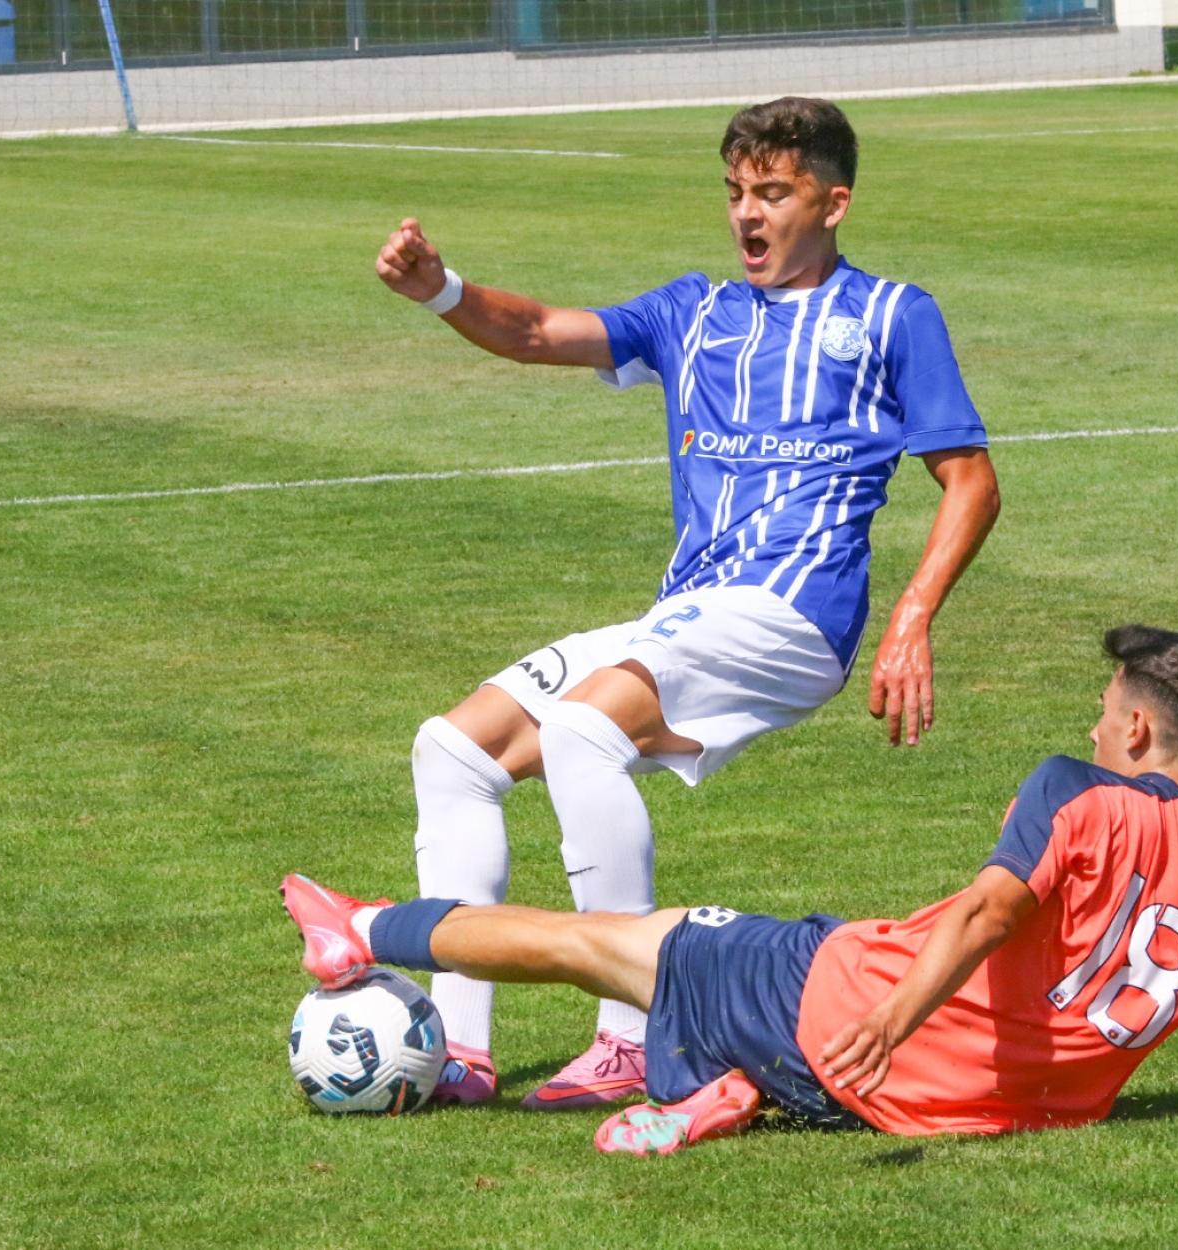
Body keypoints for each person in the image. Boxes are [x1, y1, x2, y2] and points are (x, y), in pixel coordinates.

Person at [282, 625, 1178, 1152]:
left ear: (1139, 730)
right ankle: (728, 1091)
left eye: (1103, 710)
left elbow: (986, 912)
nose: (1092, 725)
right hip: (978, 1111)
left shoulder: (1079, 791)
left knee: (614, 940)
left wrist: (891, 1019)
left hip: (842, 1009)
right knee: (756, 989)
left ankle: (362, 928)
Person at [371, 96, 1001, 1109]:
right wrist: (439, 288)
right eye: (737, 192)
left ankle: (630, 1033)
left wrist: (913, 616)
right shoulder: (692, 313)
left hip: (792, 615)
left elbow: (970, 481)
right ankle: (459, 1049)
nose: (749, 213)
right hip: (690, 612)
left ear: (833, 203)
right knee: (453, 750)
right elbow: (535, 330)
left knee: (581, 730)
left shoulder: (892, 315)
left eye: (775, 193)